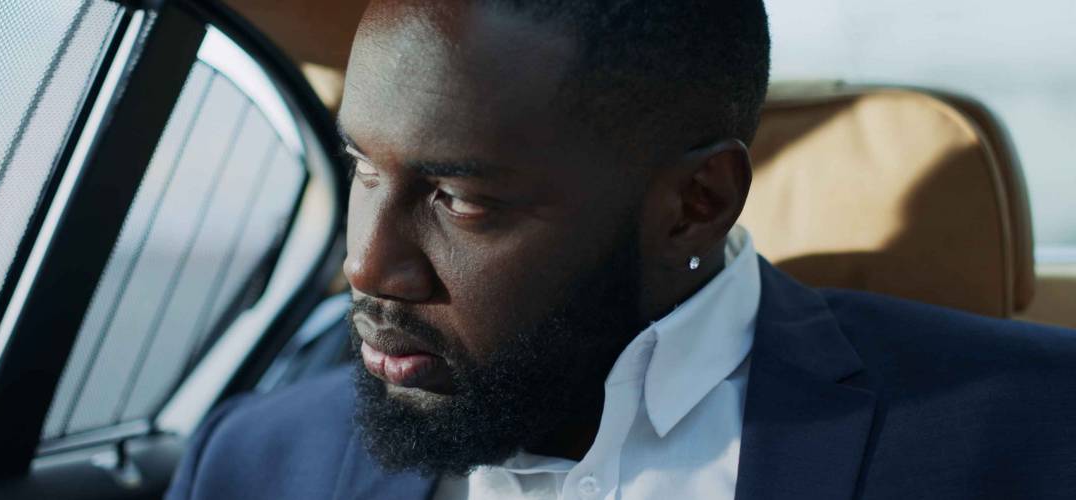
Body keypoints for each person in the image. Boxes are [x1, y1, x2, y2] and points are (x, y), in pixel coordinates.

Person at [166, 0, 1076, 498]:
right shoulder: (254, 463)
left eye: (459, 199)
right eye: (364, 168)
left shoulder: (1035, 434)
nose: (367, 266)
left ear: (696, 203)